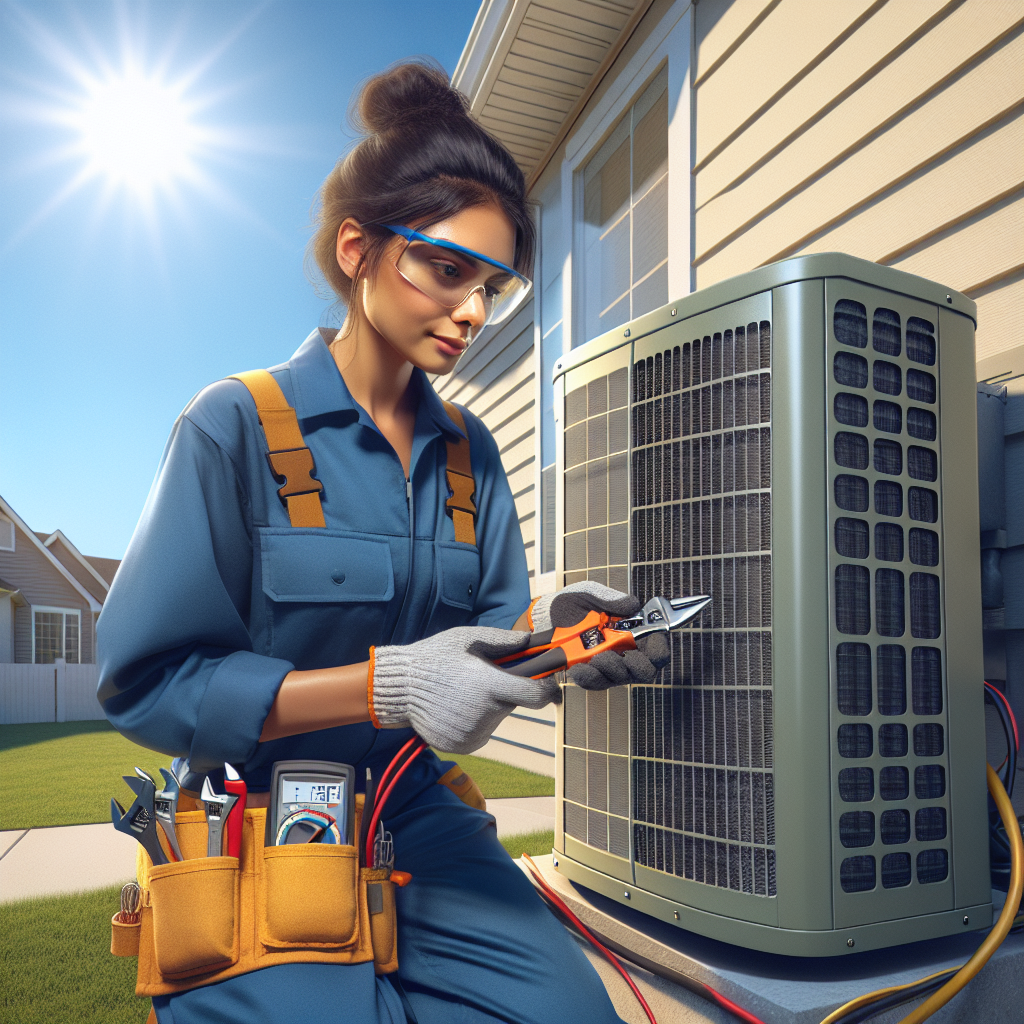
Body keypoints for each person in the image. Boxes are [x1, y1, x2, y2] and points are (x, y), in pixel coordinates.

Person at [98, 61, 666, 1024]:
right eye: (447, 269)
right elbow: (147, 683)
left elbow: (488, 642)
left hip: (416, 809)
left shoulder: (468, 452)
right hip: (255, 817)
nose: (474, 311)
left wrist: (556, 634)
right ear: (357, 249)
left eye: (492, 284)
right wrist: (384, 686)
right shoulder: (232, 425)